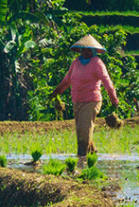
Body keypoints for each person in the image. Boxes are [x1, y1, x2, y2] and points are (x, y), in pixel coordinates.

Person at [51, 35, 120, 166]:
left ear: (94, 51)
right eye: (84, 50)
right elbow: (67, 80)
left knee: (84, 131)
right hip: (77, 101)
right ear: (80, 50)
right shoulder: (76, 62)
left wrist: (113, 99)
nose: (86, 52)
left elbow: (107, 81)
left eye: (89, 50)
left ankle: (80, 159)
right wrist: (56, 92)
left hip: (91, 101)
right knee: (83, 131)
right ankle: (92, 157)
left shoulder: (97, 63)